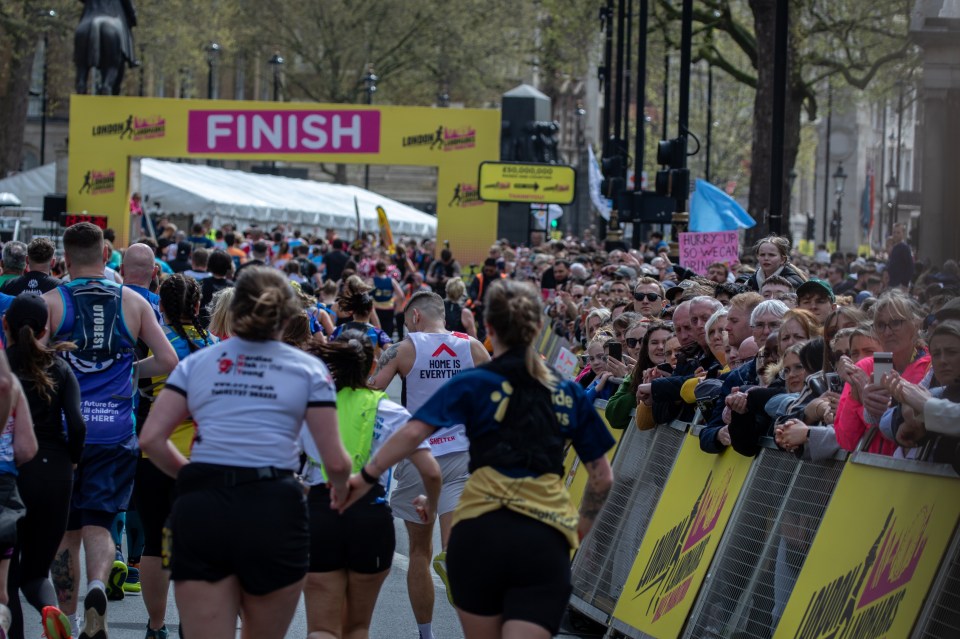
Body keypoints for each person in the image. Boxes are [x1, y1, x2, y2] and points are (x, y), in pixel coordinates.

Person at [340, 279, 614, 639]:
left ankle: (427, 632)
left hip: (478, 521)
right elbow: (602, 478)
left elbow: (408, 428)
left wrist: (366, 475)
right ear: (538, 329)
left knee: (430, 560)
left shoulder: (471, 382)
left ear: (489, 327)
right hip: (544, 530)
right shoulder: (565, 392)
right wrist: (576, 532)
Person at [139, 267, 352, 639]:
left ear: (232, 312)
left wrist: (192, 474)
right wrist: (338, 489)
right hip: (273, 502)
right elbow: (334, 460)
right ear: (288, 317)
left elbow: (152, 439)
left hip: (205, 502)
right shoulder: (308, 369)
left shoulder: (197, 363)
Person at [43, 223, 178, 639]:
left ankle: (69, 617)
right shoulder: (133, 302)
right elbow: (169, 360)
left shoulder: (51, 302)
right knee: (101, 520)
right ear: (106, 257)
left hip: (65, 431)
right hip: (116, 428)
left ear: (63, 261)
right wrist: (130, 373)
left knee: (67, 528)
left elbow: (35, 365)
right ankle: (98, 586)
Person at [301, 332, 441, 639]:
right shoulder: (389, 410)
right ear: (373, 365)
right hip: (370, 515)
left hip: (322, 510)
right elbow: (431, 472)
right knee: (358, 627)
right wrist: (430, 503)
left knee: (322, 628)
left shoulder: (313, 406)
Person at [370, 291, 489, 639]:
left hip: (419, 457)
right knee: (457, 554)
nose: (407, 327)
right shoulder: (472, 346)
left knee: (420, 551)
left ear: (417, 317)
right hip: (463, 455)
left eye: (407, 321)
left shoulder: (405, 348)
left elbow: (373, 389)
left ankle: (427, 634)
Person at [136, 274, 217, 639]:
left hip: (153, 456)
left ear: (161, 308)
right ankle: (191, 623)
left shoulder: (153, 348)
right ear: (198, 307)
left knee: (155, 543)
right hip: (202, 460)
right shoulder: (218, 349)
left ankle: (156, 626)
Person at [2, 295, 83, 639]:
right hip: (54, 470)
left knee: (7, 577)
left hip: (11, 473)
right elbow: (77, 424)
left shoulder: (3, 367)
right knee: (36, 574)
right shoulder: (61, 368)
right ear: (47, 327)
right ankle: (51, 610)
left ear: (5, 323)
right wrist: (73, 459)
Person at [834, 290, 931, 455]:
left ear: (915, 325)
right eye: (880, 325)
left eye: (895, 323)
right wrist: (859, 398)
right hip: (871, 470)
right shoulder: (866, 366)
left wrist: (879, 411)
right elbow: (846, 441)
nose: (887, 332)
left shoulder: (931, 367)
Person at [886, 222, 914, 289]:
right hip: (893, 283)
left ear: (903, 234)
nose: (895, 235)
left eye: (898, 232)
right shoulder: (895, 247)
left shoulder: (904, 248)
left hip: (899, 285)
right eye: (894, 232)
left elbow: (910, 266)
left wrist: (905, 283)